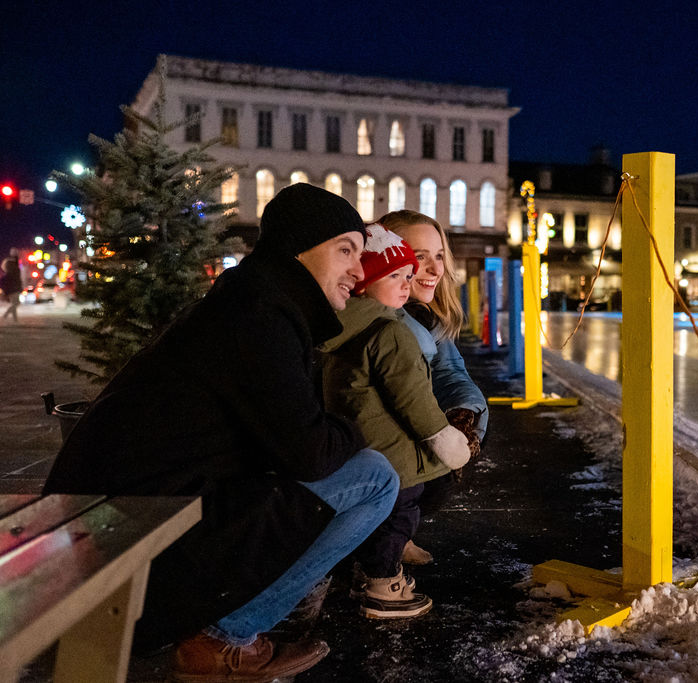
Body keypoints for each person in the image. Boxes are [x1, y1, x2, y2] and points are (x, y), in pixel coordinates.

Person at [42, 183, 399, 682]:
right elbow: (312, 453)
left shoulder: (253, 302)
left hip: (122, 521)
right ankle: (223, 638)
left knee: (339, 472)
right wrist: (353, 427)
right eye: (346, 251)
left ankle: (224, 628)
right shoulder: (260, 316)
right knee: (376, 477)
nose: (359, 273)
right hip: (127, 543)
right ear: (298, 248)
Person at [321, 224, 471, 618]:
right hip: (395, 454)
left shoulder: (339, 327)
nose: (406, 285)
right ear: (364, 282)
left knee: (373, 518)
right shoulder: (391, 332)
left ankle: (366, 573)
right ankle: (384, 586)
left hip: (358, 444)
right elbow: (413, 400)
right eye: (394, 276)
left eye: (407, 276)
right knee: (400, 516)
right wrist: (446, 439)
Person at [376, 210, 489, 565]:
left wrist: (465, 414)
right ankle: (381, 548)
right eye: (419, 256)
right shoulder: (381, 317)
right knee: (428, 457)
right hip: (370, 443)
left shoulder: (425, 317)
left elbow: (450, 373)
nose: (435, 268)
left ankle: (396, 532)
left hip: (401, 435)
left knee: (456, 443)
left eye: (439, 256)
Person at [1, 248, 22, 322]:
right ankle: (5, 315)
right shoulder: (11, 270)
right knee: (16, 303)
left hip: (13, 289)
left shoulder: (12, 269)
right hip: (13, 289)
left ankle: (15, 320)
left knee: (14, 304)